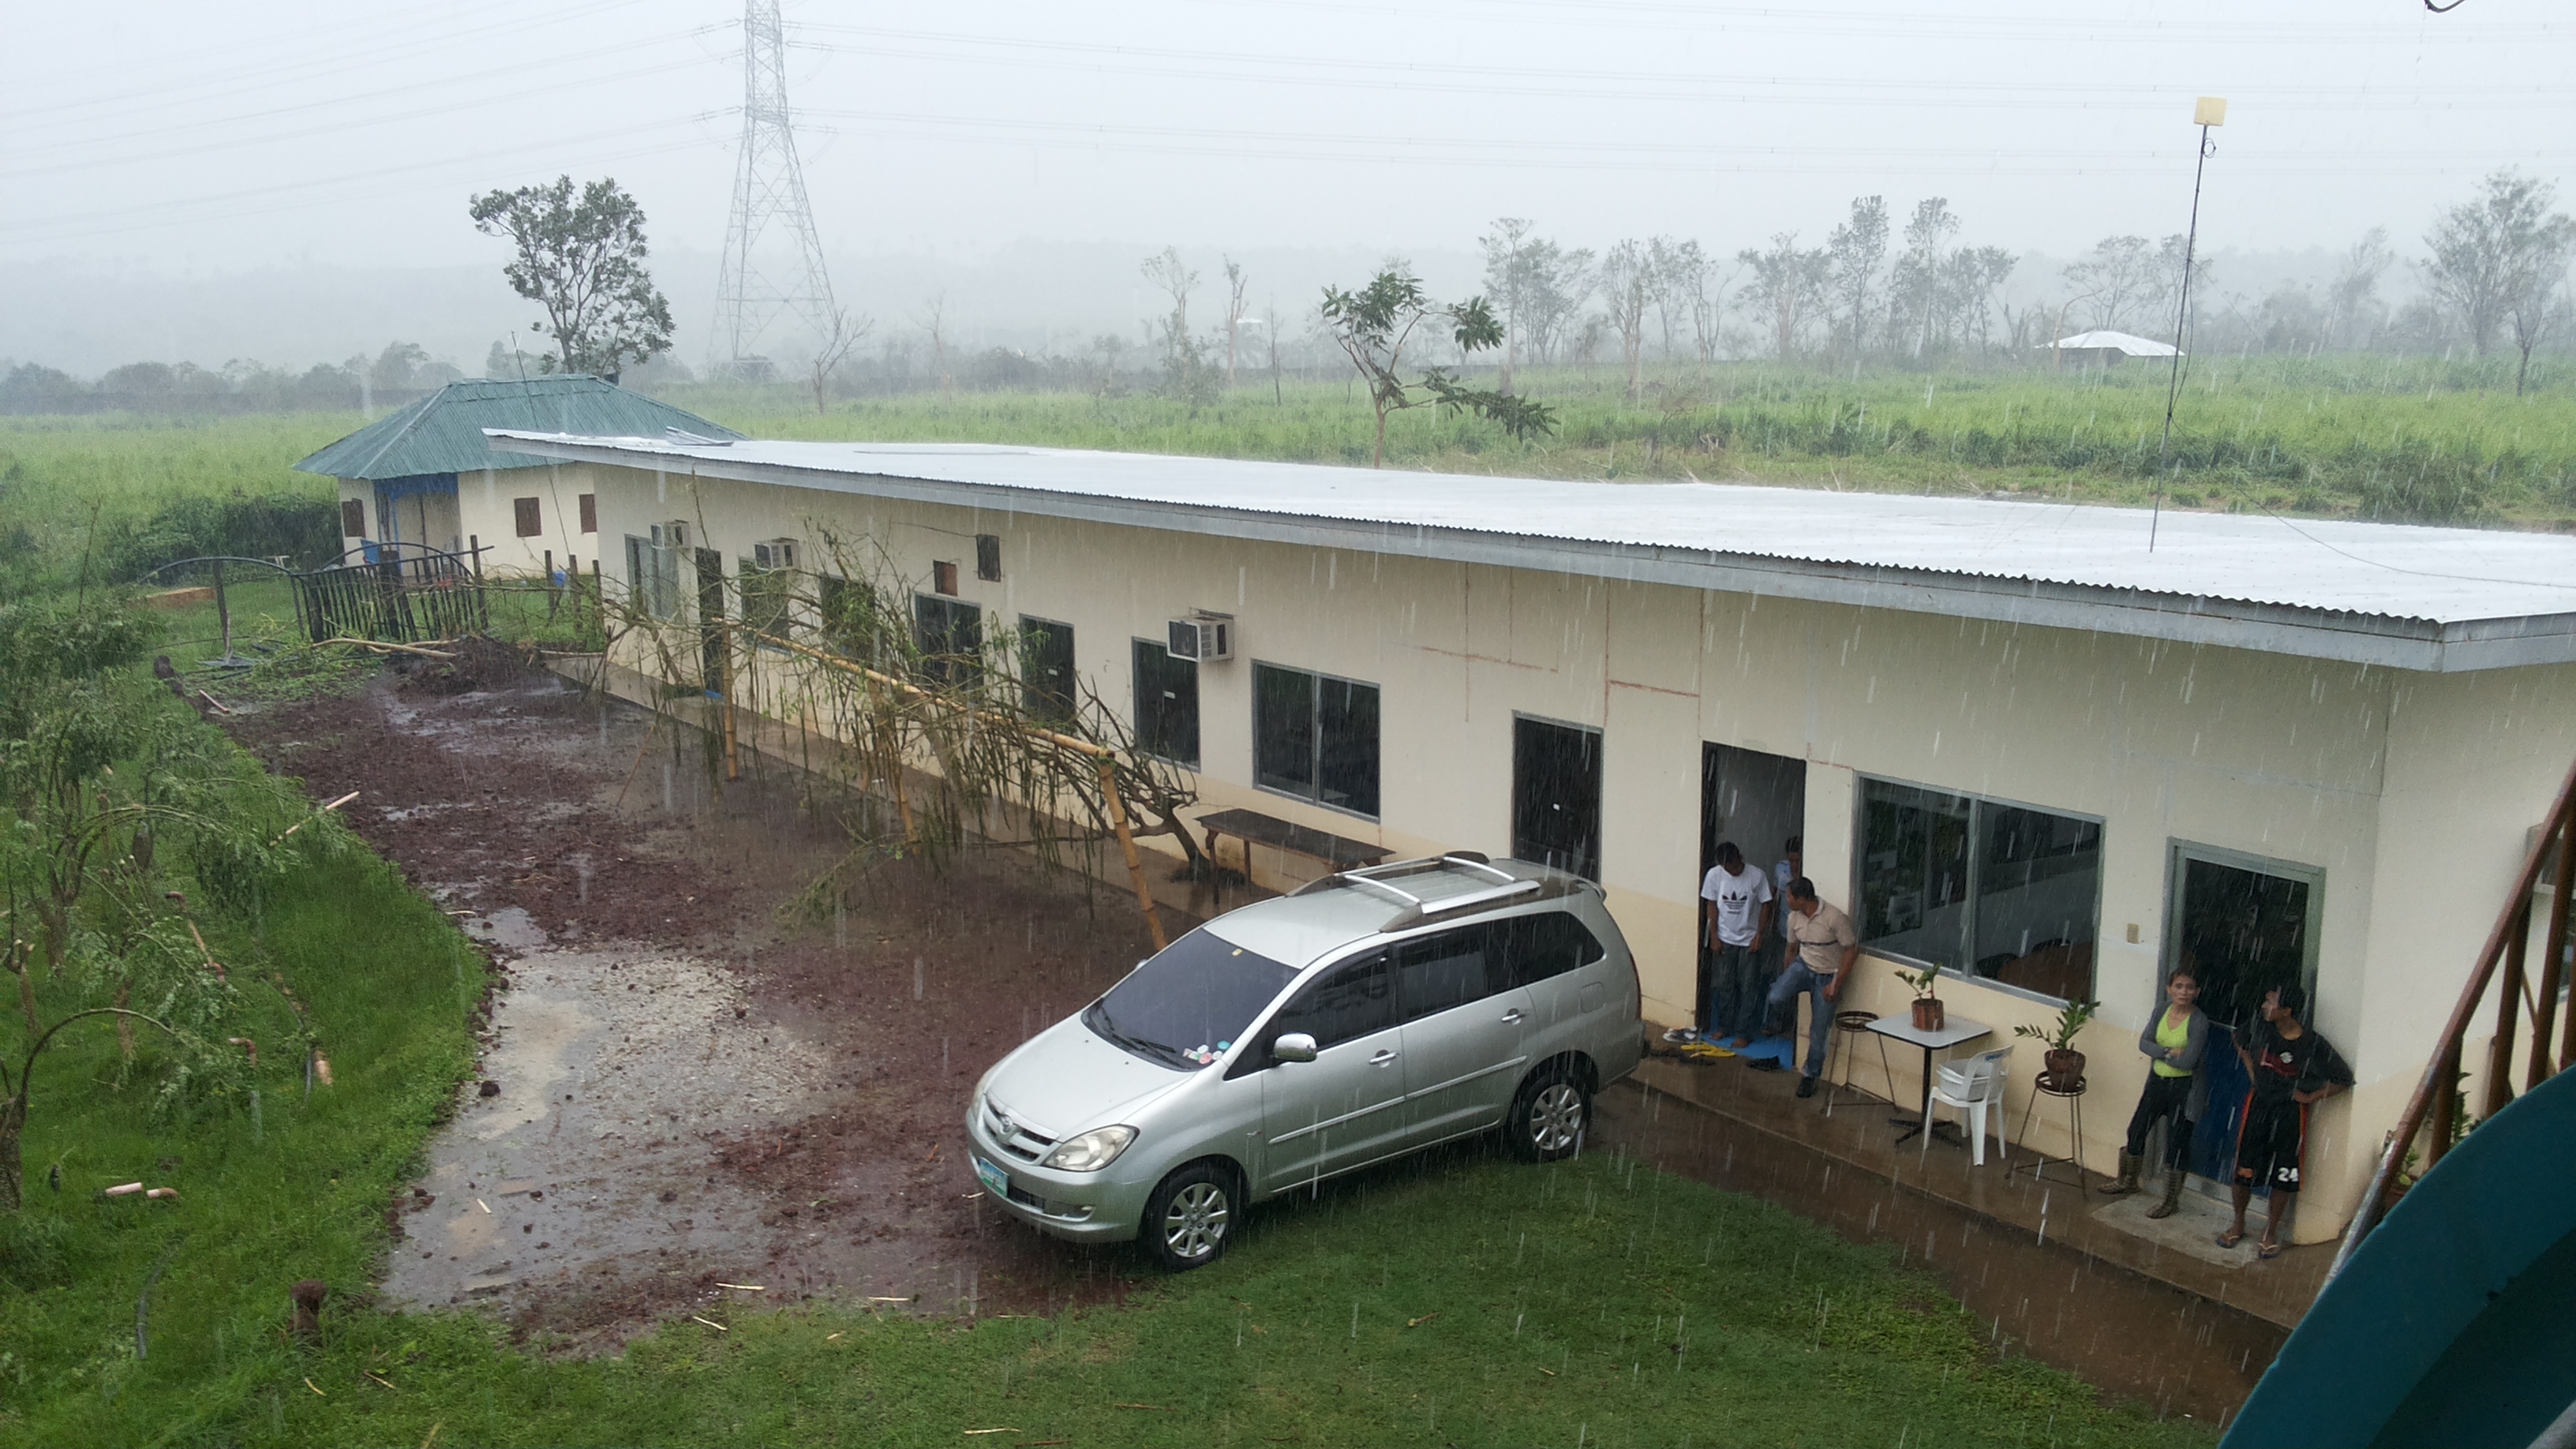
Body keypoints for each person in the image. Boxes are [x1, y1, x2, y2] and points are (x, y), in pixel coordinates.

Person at [2219, 983, 2352, 1259]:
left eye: (2272, 1002)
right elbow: (2239, 1041)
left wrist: (2311, 1097)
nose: (2265, 1007)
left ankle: (2270, 1232)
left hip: (2290, 1115)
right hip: (2257, 1108)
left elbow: (2343, 1079)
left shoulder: (2311, 1043)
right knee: (2243, 1170)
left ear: (2287, 1011)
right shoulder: (2259, 1026)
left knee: (2283, 1175)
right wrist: (2251, 1070)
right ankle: (2238, 1222)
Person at [2102, 966, 2208, 1219]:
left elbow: (2189, 1062)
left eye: (2190, 987)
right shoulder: (2161, 1010)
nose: (2183, 992)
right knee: (2136, 1130)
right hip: (2157, 1082)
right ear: (2169, 989)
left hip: (2185, 1088)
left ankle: (2170, 1201)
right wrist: (2170, 1052)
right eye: (2179, 986)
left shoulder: (2199, 1021)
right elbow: (2144, 1043)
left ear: (2197, 992)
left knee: (2177, 1145)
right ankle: (2127, 1180)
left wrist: (2160, 1051)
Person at [1768, 878, 1859, 1098]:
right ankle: (1783, 1021)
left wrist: (1836, 984)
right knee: (1775, 996)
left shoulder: (1834, 917)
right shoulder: (1793, 918)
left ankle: (1810, 1075)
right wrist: (1788, 975)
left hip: (1828, 974)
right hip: (1803, 966)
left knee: (1819, 1031)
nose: (1786, 899)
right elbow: (1791, 948)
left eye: (1789, 896)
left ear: (1801, 899)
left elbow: (1852, 950)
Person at [1698, 842, 1773, 1049]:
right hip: (1724, 937)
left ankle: (1744, 1032)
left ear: (1740, 857)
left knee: (1749, 986)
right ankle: (1724, 1026)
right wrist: (1713, 936)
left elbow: (1767, 904)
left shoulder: (1756, 876)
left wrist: (1760, 934)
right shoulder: (1714, 875)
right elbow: (1711, 905)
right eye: (1726, 868)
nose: (1730, 871)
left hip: (1749, 938)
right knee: (1724, 985)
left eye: (1732, 866)